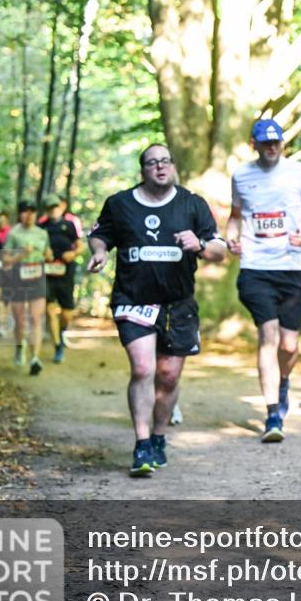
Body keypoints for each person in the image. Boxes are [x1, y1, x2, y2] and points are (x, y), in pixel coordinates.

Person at [88, 144, 226, 477]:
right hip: (133, 299)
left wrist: (202, 246)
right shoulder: (120, 204)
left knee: (168, 375)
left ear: (173, 166)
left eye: (165, 161)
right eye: (152, 163)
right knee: (142, 368)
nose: (159, 167)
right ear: (143, 170)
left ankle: (160, 435)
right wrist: (100, 252)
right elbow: (99, 235)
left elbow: (220, 250)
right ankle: (141, 443)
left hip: (178, 305)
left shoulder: (192, 204)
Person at [227, 119, 301, 442]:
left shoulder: (299, 173)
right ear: (254, 144)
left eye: (276, 142)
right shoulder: (242, 175)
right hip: (256, 266)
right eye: (266, 143)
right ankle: (272, 413)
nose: (272, 147)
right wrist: (231, 240)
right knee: (268, 335)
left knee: (289, 345)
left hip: (292, 268)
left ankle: (284, 380)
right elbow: (235, 218)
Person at [3, 200, 52, 376]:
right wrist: (22, 254)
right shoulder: (13, 234)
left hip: (37, 278)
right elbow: (6, 260)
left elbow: (49, 254)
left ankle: (35, 359)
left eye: (32, 211)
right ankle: (19, 346)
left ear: (36, 214)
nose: (29, 215)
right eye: (25, 211)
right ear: (20, 214)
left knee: (36, 319)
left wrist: (48, 255)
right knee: (20, 321)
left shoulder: (42, 233)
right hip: (18, 278)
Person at [38, 195, 84, 363]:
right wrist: (43, 253)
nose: (53, 210)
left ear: (61, 208)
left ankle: (62, 331)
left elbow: (80, 246)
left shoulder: (69, 225)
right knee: (49, 310)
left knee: (67, 313)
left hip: (65, 273)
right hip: (47, 273)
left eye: (55, 207)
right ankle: (58, 346)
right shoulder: (41, 227)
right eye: (49, 208)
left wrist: (72, 254)